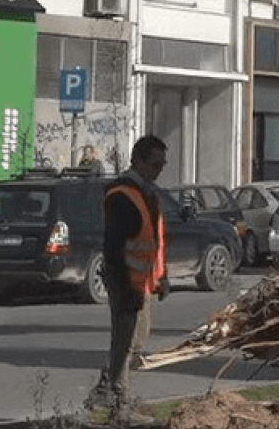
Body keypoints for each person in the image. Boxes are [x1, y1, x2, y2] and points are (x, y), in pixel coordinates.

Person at [86, 135, 169, 422]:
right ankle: (120, 401)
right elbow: (114, 249)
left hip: (142, 284)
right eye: (154, 164)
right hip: (126, 285)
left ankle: (105, 389)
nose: (158, 170)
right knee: (125, 343)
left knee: (134, 344)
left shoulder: (148, 194)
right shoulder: (122, 195)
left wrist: (162, 276)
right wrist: (124, 289)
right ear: (138, 161)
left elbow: (154, 239)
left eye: (162, 165)